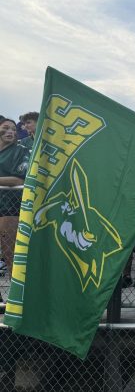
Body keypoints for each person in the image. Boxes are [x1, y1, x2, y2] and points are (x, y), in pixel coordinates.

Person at [0, 118, 30, 312]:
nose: (11, 131)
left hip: (10, 208)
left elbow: (20, 178)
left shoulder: (20, 152)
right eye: (5, 128)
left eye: (13, 128)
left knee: (11, 252)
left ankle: (17, 298)